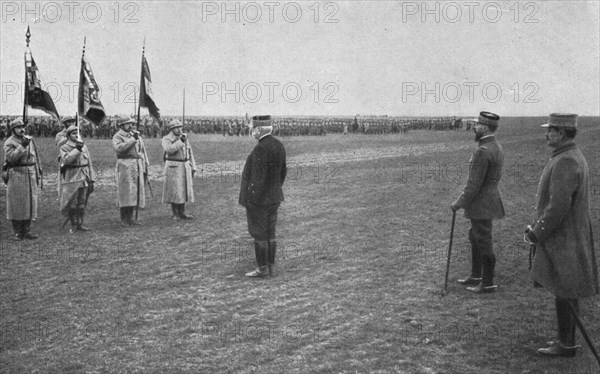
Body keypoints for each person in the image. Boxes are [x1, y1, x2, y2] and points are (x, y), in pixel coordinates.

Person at [524, 113, 599, 357]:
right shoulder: (569, 156)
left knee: (565, 289)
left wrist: (536, 233)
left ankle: (566, 344)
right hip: (568, 234)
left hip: (564, 237)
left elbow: (557, 207)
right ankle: (566, 341)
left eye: (551, 130)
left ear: (563, 133)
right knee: (565, 289)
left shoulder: (566, 160)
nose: (547, 134)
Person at [451, 111, 505, 293]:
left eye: (477, 125)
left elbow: (473, 185)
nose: (474, 127)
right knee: (475, 237)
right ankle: (476, 275)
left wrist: (458, 203)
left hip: (481, 202)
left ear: (484, 127)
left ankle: (487, 283)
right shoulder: (496, 147)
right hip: (489, 200)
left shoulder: (482, 151)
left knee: (483, 240)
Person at [239, 115, 287, 277]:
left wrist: (251, 198)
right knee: (270, 233)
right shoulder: (279, 145)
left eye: (253, 128)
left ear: (259, 129)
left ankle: (262, 267)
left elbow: (257, 179)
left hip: (260, 200)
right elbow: (283, 172)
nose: (252, 131)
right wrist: (274, 189)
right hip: (274, 197)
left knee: (259, 233)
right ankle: (271, 266)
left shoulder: (260, 148)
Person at [3, 119, 42, 240]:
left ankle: (27, 230)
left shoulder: (29, 140)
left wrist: (38, 171)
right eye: (18, 127)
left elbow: (35, 156)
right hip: (17, 174)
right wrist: (22, 146)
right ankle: (18, 232)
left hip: (30, 173)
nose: (21, 129)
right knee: (17, 203)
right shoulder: (9, 142)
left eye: (22, 127)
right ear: (13, 129)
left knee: (30, 202)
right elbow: (11, 158)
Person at [112, 116, 149, 227]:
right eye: (128, 124)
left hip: (136, 165)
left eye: (132, 123)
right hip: (124, 165)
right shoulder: (117, 136)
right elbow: (120, 149)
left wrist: (145, 163)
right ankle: (124, 218)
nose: (131, 126)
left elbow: (142, 150)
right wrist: (133, 140)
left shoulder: (135, 135)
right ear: (121, 125)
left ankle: (131, 217)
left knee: (134, 191)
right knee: (125, 192)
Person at [59, 124, 96, 233]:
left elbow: (89, 162)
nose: (76, 135)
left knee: (82, 201)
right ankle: (73, 224)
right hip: (72, 176)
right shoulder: (64, 147)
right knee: (73, 202)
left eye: (77, 133)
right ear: (68, 135)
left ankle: (80, 223)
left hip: (84, 175)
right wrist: (77, 149)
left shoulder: (84, 146)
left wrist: (92, 177)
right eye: (73, 133)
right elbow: (66, 160)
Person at [161, 119, 196, 220]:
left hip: (184, 165)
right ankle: (175, 213)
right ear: (172, 129)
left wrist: (193, 166)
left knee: (183, 189)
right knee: (174, 190)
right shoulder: (166, 139)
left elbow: (189, 152)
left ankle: (182, 212)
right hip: (173, 166)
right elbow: (169, 149)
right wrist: (181, 141)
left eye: (180, 127)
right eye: (177, 128)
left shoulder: (183, 138)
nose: (179, 129)